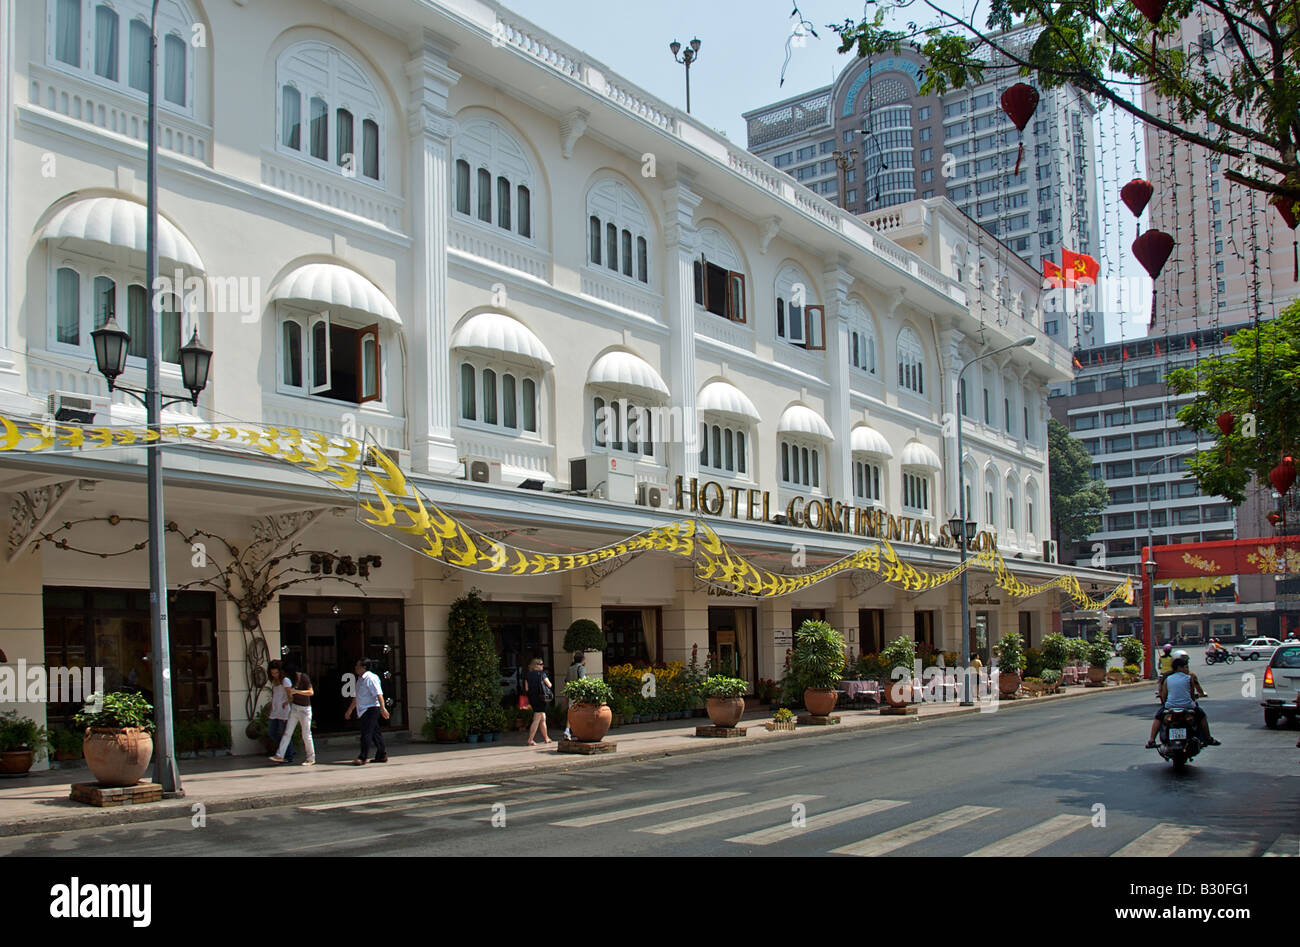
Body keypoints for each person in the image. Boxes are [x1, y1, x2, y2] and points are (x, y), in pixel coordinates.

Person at [1146, 651, 1219, 748]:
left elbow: (1164, 695)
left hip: (1170, 706)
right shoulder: (1189, 678)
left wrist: (1167, 703)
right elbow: (1191, 695)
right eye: (1185, 667)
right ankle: (1208, 738)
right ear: (1179, 668)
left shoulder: (1168, 678)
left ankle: (1151, 740)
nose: (1187, 669)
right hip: (1187, 706)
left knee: (1158, 717)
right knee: (1202, 716)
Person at [344, 658, 389, 765]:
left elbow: (379, 694)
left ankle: (363, 757)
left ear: (364, 667)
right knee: (375, 733)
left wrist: (383, 708)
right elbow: (357, 696)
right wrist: (350, 710)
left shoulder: (371, 678)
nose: (356, 668)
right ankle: (382, 754)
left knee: (366, 733)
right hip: (364, 709)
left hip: (371, 708)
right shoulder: (360, 679)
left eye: (358, 666)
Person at [271, 664, 315, 766]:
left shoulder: (303, 677)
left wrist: (297, 692)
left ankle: (310, 757)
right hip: (295, 708)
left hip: (305, 709)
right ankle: (279, 754)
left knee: (306, 734)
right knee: (287, 732)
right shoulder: (289, 679)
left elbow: (311, 692)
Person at [265, 660, 295, 765]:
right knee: (271, 732)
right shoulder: (274, 682)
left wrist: (287, 703)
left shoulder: (285, 680)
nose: (274, 675)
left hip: (284, 711)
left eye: (276, 673)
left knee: (284, 734)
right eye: (272, 673)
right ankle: (283, 749)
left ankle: (288, 755)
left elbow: (290, 695)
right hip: (275, 711)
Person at [524, 657, 553, 746]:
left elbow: (526, 688)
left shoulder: (528, 675)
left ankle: (546, 737)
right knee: (537, 718)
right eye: (540, 664)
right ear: (535, 665)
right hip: (541, 698)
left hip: (533, 698)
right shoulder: (542, 674)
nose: (542, 666)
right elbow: (549, 684)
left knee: (543, 717)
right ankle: (530, 739)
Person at [562, 653, 586, 740]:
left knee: (571, 712)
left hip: (571, 693)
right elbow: (583, 680)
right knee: (581, 712)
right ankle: (580, 731)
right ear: (582, 660)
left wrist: (566, 694)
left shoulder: (570, 668)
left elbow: (566, 682)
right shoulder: (581, 668)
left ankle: (567, 730)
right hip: (579, 693)